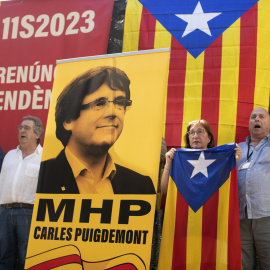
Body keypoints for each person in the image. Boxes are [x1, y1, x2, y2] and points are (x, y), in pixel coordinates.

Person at [37, 66, 155, 195]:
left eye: (120, 102)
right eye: (99, 103)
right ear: (69, 120)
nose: (113, 112)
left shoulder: (141, 185)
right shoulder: (42, 176)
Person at [0, 116, 44, 270]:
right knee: (4, 257)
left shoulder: (44, 158)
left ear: (37, 134)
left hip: (29, 213)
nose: (22, 130)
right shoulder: (9, 155)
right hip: (4, 212)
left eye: (26, 128)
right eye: (20, 127)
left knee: (28, 258)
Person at [161, 119, 241, 195]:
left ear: (209, 138)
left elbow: (224, 190)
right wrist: (168, 164)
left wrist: (233, 161)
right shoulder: (179, 159)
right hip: (184, 208)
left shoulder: (220, 161)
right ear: (188, 138)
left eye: (200, 132)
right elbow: (164, 191)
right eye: (192, 133)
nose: (195, 136)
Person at [237, 107, 270, 270]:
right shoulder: (237, 148)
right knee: (243, 265)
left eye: (261, 117)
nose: (257, 119)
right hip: (241, 217)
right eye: (253, 117)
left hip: (266, 215)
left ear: (269, 123)